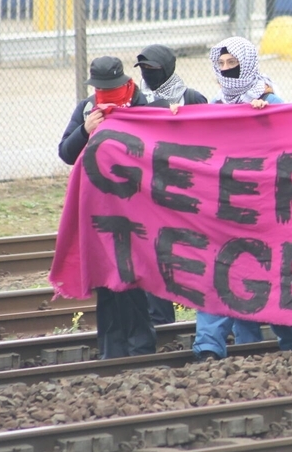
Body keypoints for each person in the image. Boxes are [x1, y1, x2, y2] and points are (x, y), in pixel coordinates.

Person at [192, 36, 292, 361]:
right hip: (226, 208)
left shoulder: (272, 101)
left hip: (266, 209)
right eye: (223, 65)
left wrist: (266, 117)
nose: (228, 70)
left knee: (270, 277)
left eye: (234, 64)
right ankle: (210, 346)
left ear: (248, 64)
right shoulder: (214, 108)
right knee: (221, 273)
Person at [58, 56, 157, 360]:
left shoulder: (145, 104)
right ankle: (111, 352)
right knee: (106, 280)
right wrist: (85, 130)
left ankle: (141, 348)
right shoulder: (87, 109)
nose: (107, 93)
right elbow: (66, 153)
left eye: (112, 87)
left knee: (134, 276)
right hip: (99, 209)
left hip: (137, 207)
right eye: (101, 88)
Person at [132, 44, 208, 325]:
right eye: (144, 69)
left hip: (188, 193)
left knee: (194, 257)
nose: (149, 74)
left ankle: (208, 315)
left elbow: (210, 142)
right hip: (150, 194)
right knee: (155, 255)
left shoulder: (192, 98)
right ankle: (160, 321)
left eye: (154, 69)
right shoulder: (136, 100)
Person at [134, 44, 208, 107]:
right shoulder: (138, 99)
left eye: (151, 67)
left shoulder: (192, 99)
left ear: (166, 68)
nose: (146, 71)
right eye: (143, 66)